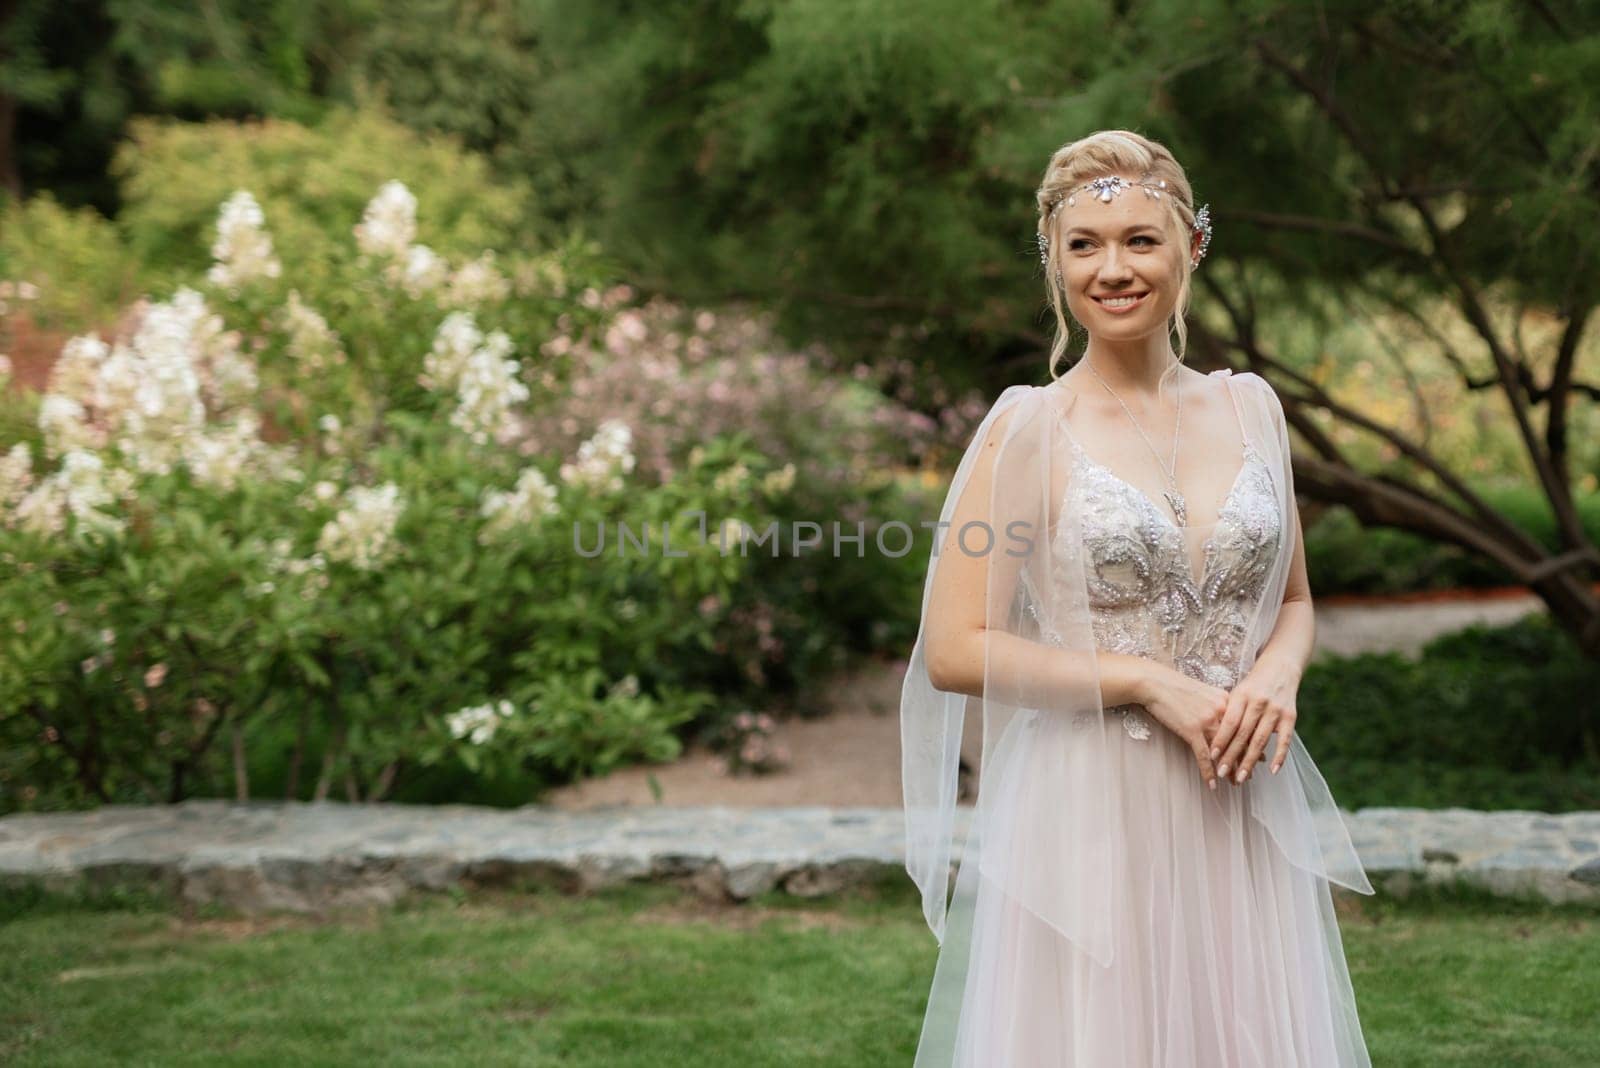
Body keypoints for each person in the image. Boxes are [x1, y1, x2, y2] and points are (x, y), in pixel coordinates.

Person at [900, 130, 1375, 1066]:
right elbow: (955, 647)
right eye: (1085, 245)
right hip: (1092, 810)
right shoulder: (1030, 430)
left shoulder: (1251, 408)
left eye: (1139, 240)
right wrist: (1145, 681)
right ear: (1056, 265)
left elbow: (1295, 601)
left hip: (1238, 798)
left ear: (1190, 246)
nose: (1113, 269)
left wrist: (1277, 678)